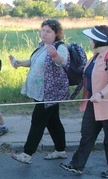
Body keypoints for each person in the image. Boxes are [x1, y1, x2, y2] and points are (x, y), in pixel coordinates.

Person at [61, 26, 108, 178]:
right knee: (87, 134)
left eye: (91, 39)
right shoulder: (96, 56)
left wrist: (101, 94)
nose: (89, 41)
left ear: (98, 40)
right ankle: (77, 165)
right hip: (94, 102)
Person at [8, 19, 70, 164]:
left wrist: (55, 55)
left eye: (48, 31)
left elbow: (64, 62)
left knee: (38, 120)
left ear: (57, 33)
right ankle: (60, 151)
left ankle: (27, 153)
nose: (44, 33)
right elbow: (34, 61)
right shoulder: (42, 46)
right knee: (53, 121)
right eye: (43, 30)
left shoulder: (59, 47)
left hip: (49, 93)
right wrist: (19, 63)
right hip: (40, 92)